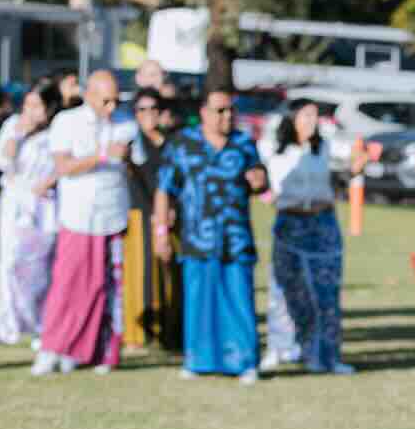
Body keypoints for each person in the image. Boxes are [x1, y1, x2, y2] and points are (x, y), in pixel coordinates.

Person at [154, 87, 268, 383]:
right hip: (197, 238)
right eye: (220, 110)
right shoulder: (183, 144)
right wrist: (161, 233)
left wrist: (258, 181)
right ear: (203, 113)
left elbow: (259, 180)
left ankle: (244, 361)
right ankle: (198, 360)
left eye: (231, 110)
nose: (227, 116)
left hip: (235, 238)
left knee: (238, 300)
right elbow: (165, 189)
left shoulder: (243, 144)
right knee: (199, 303)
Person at [34, 70, 133, 377]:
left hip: (113, 214)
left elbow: (135, 164)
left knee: (104, 289)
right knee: (68, 284)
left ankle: (89, 350)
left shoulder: (125, 123)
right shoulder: (67, 122)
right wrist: (101, 157)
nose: (111, 108)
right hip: (79, 215)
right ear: (89, 95)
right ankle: (52, 347)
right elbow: (63, 165)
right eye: (106, 101)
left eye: (116, 101)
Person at [267, 98, 359, 374]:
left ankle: (326, 356)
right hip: (290, 223)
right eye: (305, 116)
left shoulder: (326, 147)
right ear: (292, 119)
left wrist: (357, 164)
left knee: (326, 293)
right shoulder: (277, 151)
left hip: (323, 225)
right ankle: (281, 348)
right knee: (284, 291)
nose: (311, 122)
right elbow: (270, 187)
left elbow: (349, 162)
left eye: (314, 117)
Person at [0, 83, 62, 348]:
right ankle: (5, 323)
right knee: (8, 263)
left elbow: (62, 164)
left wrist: (50, 181)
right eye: (27, 105)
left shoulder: (58, 131)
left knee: (40, 266)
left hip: (44, 206)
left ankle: (40, 323)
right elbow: (1, 160)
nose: (30, 111)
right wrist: (17, 137)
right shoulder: (14, 124)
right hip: (15, 202)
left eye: (36, 106)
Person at [123, 90, 182, 351]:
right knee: (140, 274)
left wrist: (172, 210)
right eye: (141, 109)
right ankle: (137, 334)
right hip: (138, 214)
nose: (148, 115)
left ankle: (171, 333)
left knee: (171, 274)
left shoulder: (174, 144)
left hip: (170, 216)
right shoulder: (130, 144)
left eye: (153, 108)